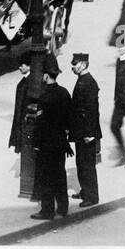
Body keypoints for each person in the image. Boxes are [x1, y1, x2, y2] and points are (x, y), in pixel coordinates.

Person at [29, 54, 72, 220]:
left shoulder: (44, 97)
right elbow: (69, 120)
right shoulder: (64, 93)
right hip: (61, 142)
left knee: (46, 177)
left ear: (46, 75)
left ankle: (47, 210)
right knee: (60, 175)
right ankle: (63, 207)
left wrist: (36, 143)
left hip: (47, 143)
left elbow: (41, 123)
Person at [69, 53, 101, 207]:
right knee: (81, 162)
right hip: (80, 129)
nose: (72, 67)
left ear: (82, 64)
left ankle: (92, 196)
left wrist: (90, 133)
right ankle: (85, 191)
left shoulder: (89, 83)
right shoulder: (82, 80)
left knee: (87, 164)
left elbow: (92, 110)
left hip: (86, 131)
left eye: (75, 64)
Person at [8, 57, 32, 152]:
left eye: (22, 65)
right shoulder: (26, 79)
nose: (19, 68)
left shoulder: (29, 81)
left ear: (29, 66)